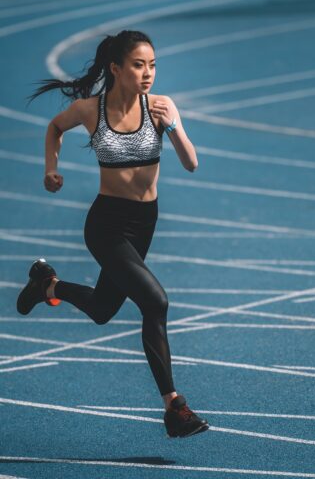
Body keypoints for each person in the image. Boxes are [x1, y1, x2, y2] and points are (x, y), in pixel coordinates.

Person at [16, 30, 209, 439]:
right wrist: (50, 168)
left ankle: (47, 284)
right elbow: (54, 127)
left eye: (153, 65)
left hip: (144, 224)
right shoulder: (91, 110)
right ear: (116, 68)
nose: (148, 73)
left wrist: (171, 126)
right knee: (155, 303)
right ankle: (174, 407)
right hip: (105, 225)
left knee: (103, 309)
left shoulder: (161, 106)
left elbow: (191, 163)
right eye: (139, 65)